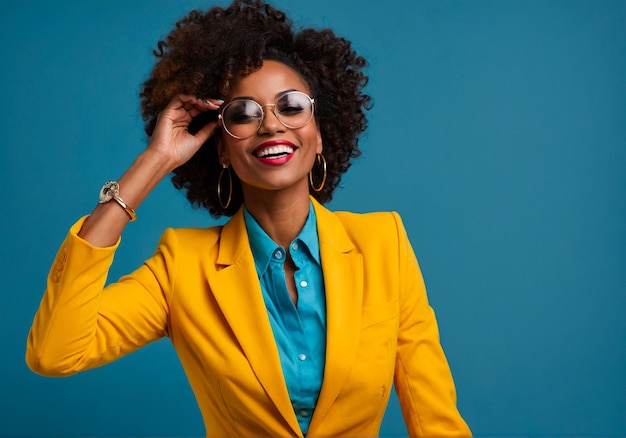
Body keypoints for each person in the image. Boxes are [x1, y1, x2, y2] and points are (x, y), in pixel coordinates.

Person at [25, 0, 471, 436]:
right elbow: (55, 351)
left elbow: (435, 419)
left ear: (320, 134)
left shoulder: (383, 243)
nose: (272, 125)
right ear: (220, 148)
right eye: (243, 114)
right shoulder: (182, 266)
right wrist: (155, 162)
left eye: (291, 106)